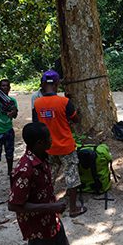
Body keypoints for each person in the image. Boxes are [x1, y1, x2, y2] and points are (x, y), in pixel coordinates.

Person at [8, 122, 71, 245]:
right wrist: (51, 207)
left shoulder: (42, 158)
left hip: (51, 220)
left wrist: (52, 209)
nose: (52, 141)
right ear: (38, 143)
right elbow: (15, 205)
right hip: (37, 226)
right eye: (48, 139)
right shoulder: (25, 169)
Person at [33, 70, 87, 218]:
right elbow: (75, 120)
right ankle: (73, 209)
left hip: (48, 148)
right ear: (57, 84)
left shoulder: (37, 104)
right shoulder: (64, 102)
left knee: (50, 176)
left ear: (43, 84)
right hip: (66, 146)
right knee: (72, 176)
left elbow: (36, 125)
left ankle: (48, 206)